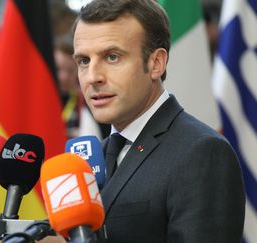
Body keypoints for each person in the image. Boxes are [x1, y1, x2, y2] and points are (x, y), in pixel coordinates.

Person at [72, 0, 245, 242]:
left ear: (156, 63)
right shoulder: (91, 158)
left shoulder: (202, 152)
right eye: (83, 61)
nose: (93, 77)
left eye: (112, 57)